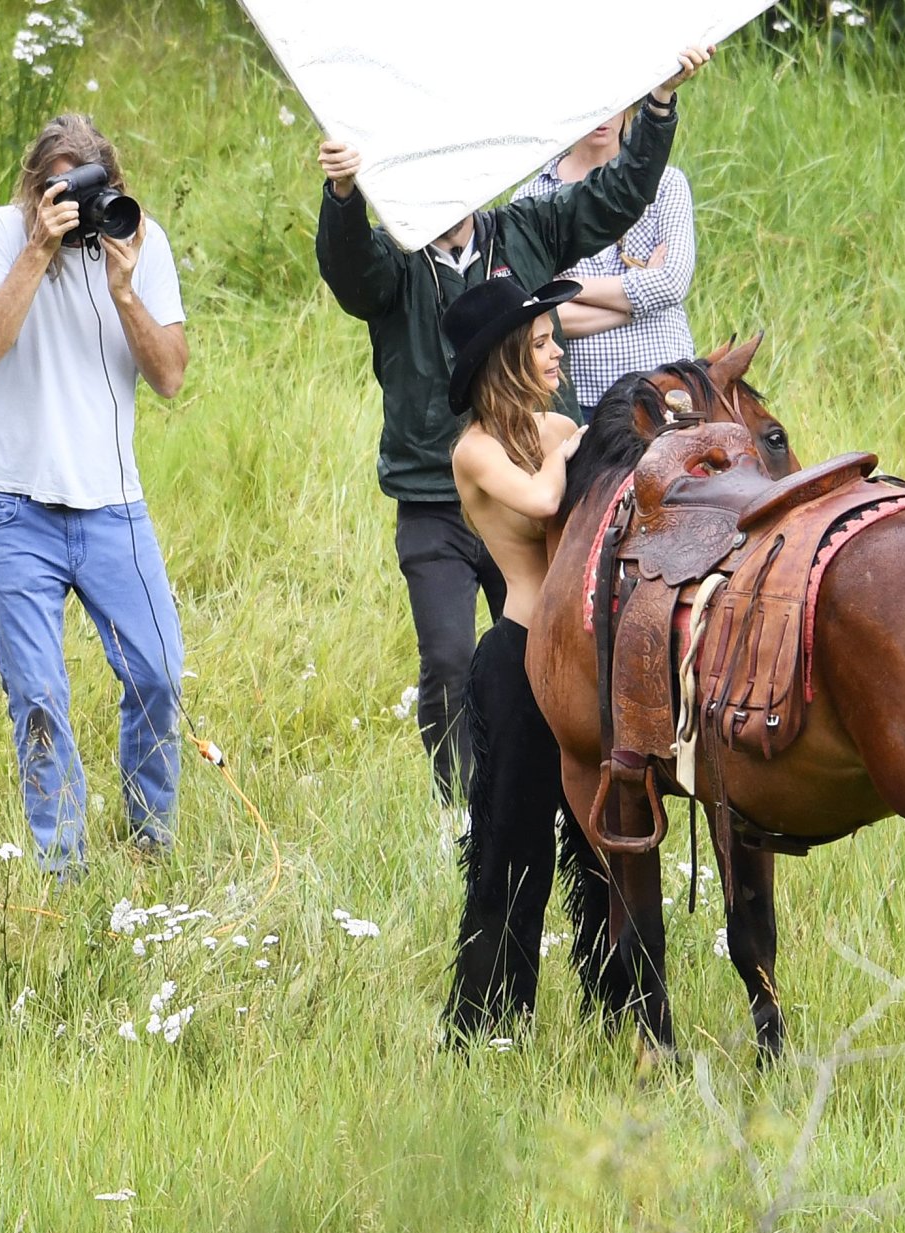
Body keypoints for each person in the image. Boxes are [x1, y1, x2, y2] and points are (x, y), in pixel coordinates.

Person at [314, 46, 712, 820]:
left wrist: (659, 103)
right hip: (433, 498)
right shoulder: (395, 264)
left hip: (533, 483)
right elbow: (349, 270)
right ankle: (459, 811)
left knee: (550, 646)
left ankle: (551, 795)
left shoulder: (522, 230)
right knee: (447, 658)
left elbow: (616, 196)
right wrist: (341, 193)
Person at [0, 114, 189, 880]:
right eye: (60, 188)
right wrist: (38, 247)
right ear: (34, 186)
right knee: (37, 696)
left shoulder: (138, 239)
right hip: (13, 509)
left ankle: (150, 841)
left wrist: (123, 288)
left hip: (112, 505)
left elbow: (170, 377)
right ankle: (63, 871)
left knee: (158, 674)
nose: (78, 206)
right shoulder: (2, 232)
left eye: (91, 188)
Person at [436, 275, 585, 1036]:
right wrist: (576, 445)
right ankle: (490, 1020)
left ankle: (615, 1006)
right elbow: (542, 502)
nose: (557, 353)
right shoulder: (475, 452)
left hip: (577, 656)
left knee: (597, 838)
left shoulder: (554, 428)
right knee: (512, 845)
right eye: (541, 344)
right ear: (506, 361)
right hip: (520, 660)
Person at [513, 108, 696, 417]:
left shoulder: (666, 183)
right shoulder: (530, 198)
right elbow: (542, 316)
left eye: (614, 103)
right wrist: (640, 302)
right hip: (581, 399)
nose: (604, 116)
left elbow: (671, 284)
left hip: (665, 388)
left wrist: (567, 286)